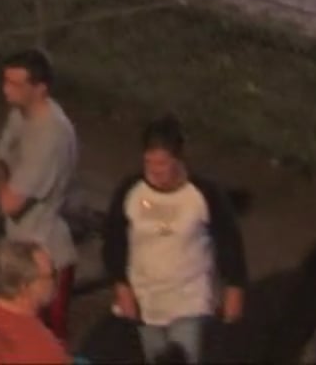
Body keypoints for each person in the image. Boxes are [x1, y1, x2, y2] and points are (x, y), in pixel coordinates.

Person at [103, 116, 247, 364]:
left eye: (162, 163)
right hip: (145, 300)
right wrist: (120, 285)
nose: (154, 170)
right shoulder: (131, 191)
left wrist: (234, 287)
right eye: (149, 162)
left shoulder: (204, 194)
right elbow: (114, 240)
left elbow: (229, 242)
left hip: (188, 299)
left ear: (178, 159)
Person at [0, 48, 79, 341]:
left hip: (45, 257)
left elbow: (9, 203)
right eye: (5, 81)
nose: (6, 90)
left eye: (15, 84)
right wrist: (3, 174)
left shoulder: (50, 137)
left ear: (40, 89)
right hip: (19, 250)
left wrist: (3, 175)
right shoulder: (20, 113)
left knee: (45, 340)